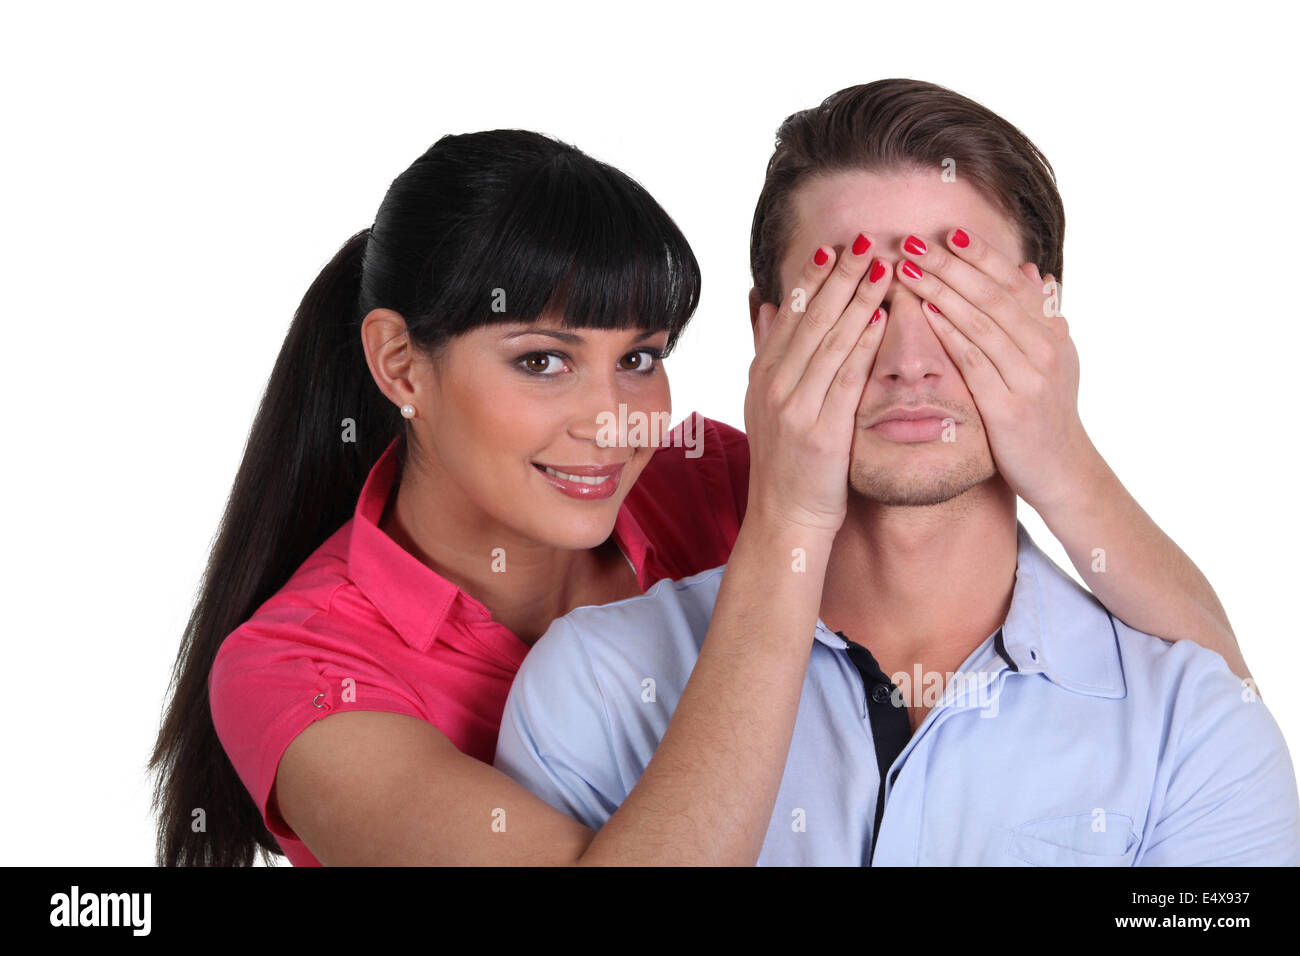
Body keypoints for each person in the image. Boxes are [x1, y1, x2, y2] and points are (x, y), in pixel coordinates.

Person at [151, 113, 1254, 868]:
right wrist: (790, 515)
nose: (611, 418)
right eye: (540, 359)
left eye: (640, 355)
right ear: (400, 368)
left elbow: (1209, 692)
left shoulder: (696, 474)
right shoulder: (298, 672)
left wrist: (1049, 449)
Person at [493, 79, 1300, 865]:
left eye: (955, 298)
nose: (909, 363)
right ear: (764, 332)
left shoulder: (1192, 725)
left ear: (1045, 325)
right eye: (856, 301)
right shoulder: (596, 685)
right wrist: (791, 519)